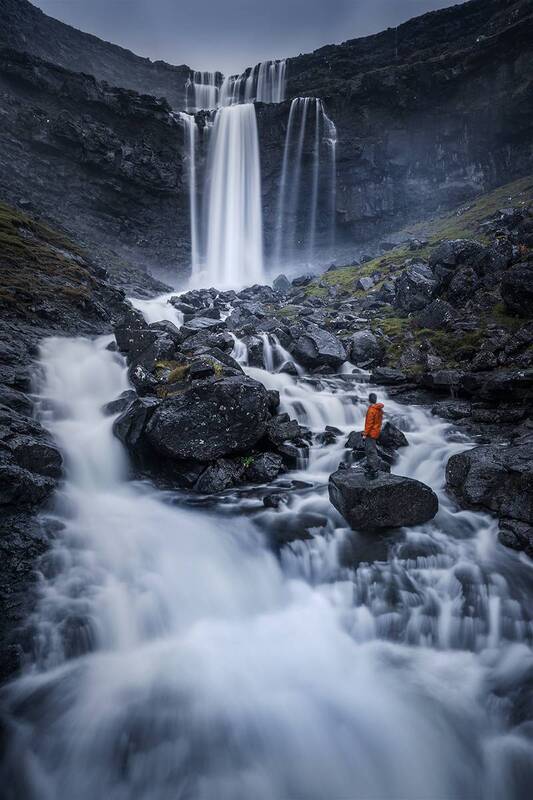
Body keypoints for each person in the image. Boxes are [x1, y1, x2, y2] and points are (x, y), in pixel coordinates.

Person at [362, 392, 384, 479]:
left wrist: (365, 434)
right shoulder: (379, 409)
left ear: (369, 399)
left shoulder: (371, 410)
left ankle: (374, 468)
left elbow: (369, 424)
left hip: (371, 433)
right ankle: (372, 463)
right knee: (372, 448)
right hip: (376, 431)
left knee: (370, 450)